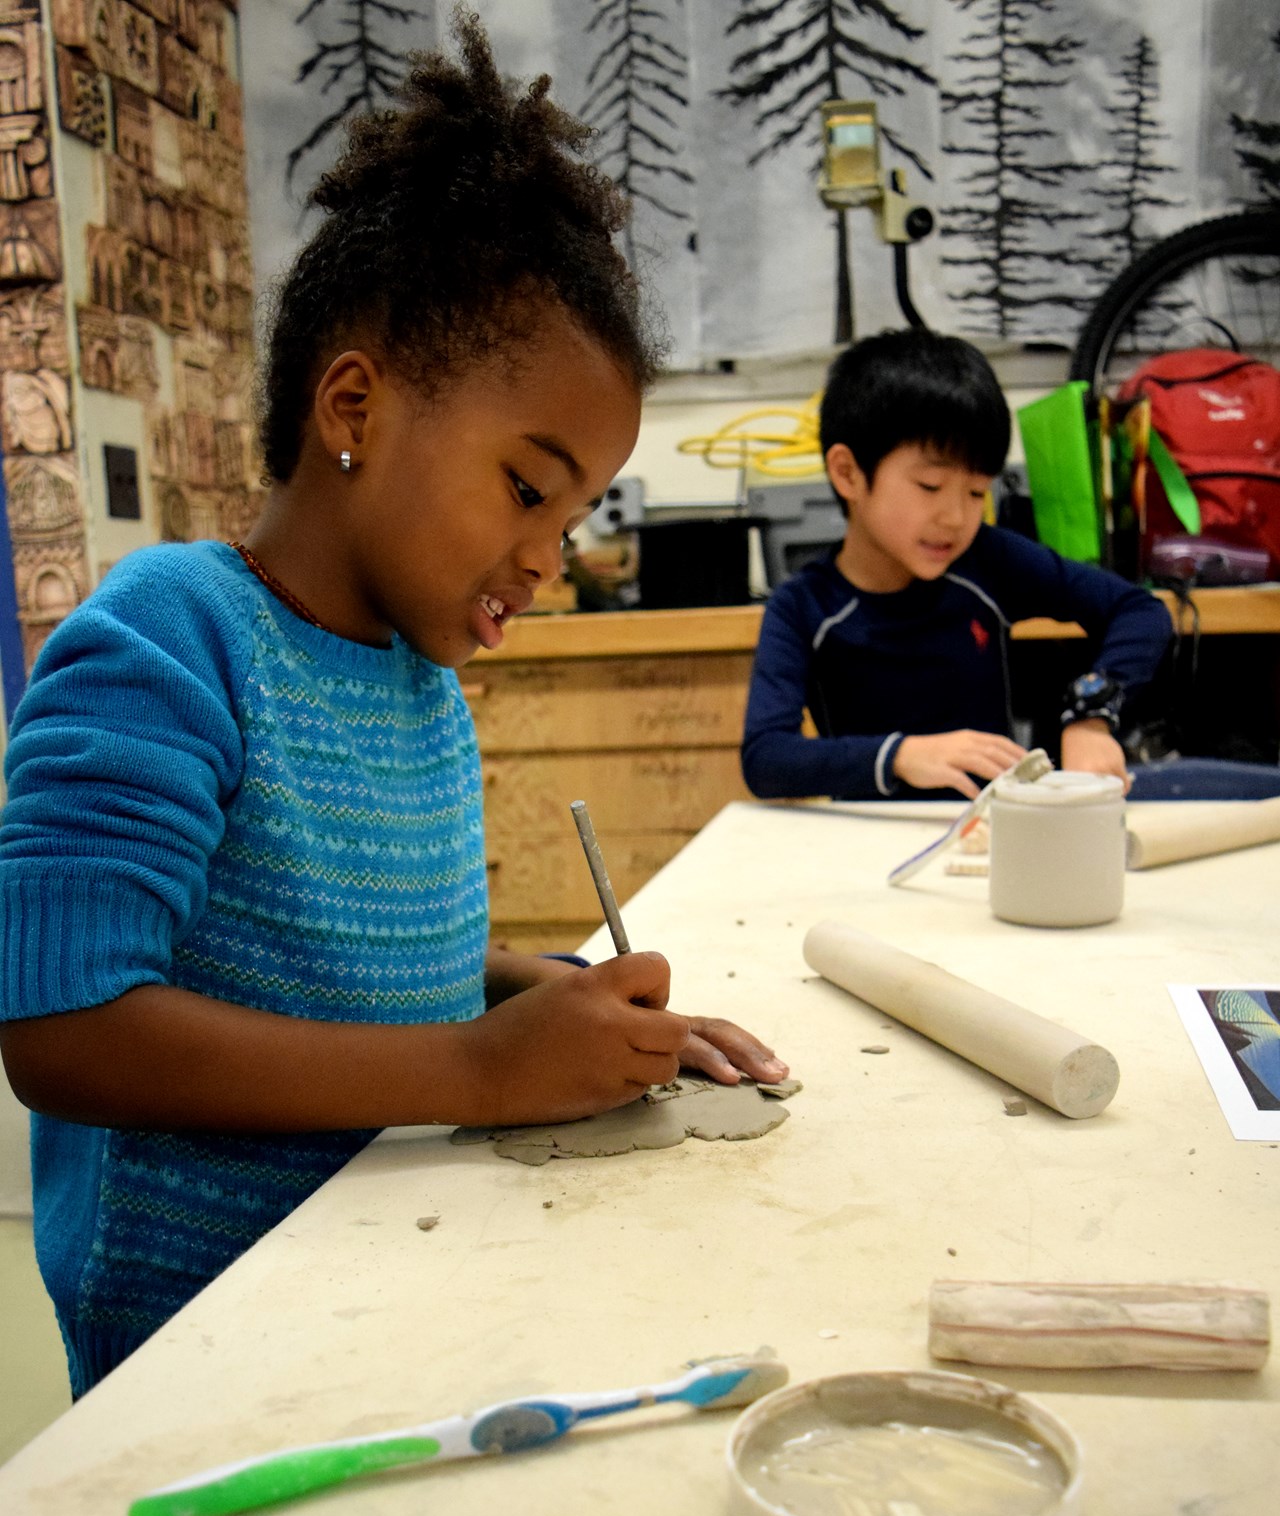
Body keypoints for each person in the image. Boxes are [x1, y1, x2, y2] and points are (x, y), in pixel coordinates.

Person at [0, 14, 787, 1397]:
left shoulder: (418, 683)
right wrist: (482, 1072)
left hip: (390, 1275)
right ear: (353, 406)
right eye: (527, 488)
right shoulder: (171, 633)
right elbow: (65, 1030)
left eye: (573, 517)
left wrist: (551, 1001)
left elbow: (352, 957)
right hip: (204, 1343)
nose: (547, 558)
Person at [741, 329, 1172, 802]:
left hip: (992, 828)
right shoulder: (803, 605)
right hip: (874, 836)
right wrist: (901, 756)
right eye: (929, 486)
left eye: (975, 493)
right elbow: (766, 757)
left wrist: (1091, 716)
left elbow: (1139, 609)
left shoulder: (987, 559)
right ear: (848, 473)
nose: (955, 518)